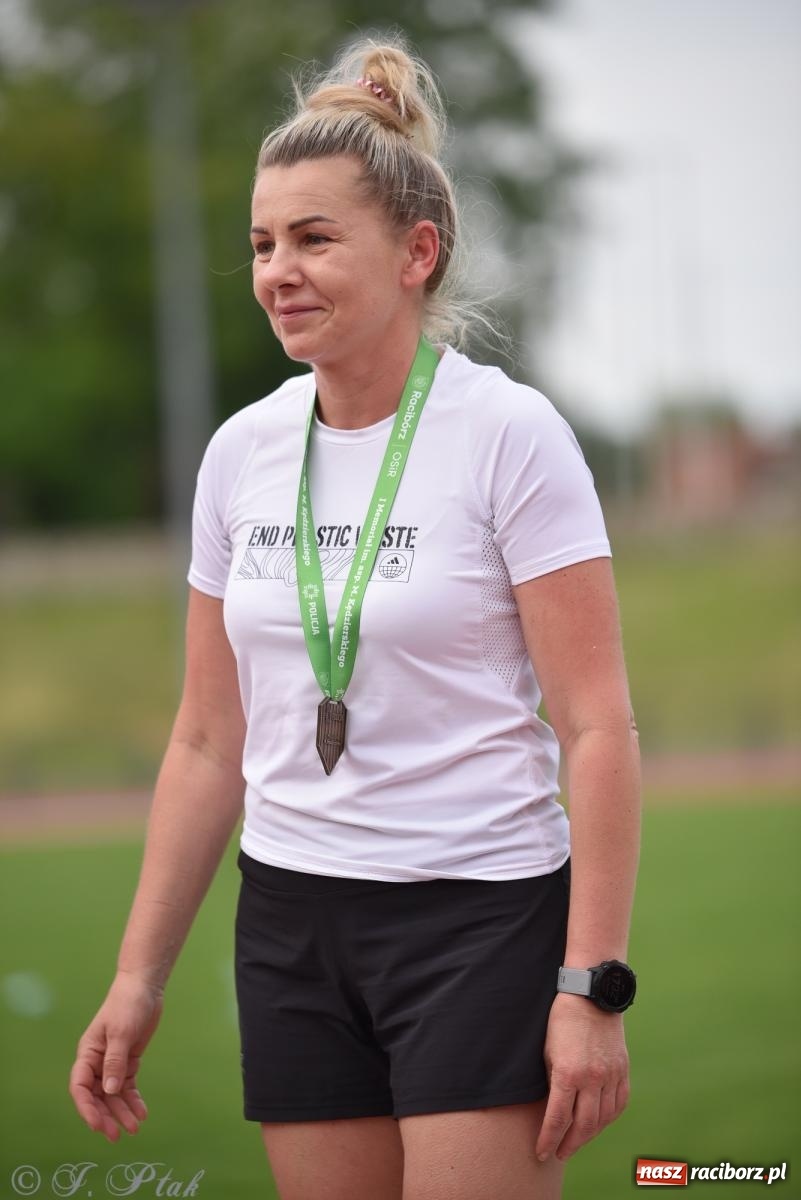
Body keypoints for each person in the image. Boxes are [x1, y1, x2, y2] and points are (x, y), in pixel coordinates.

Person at [69, 33, 641, 1200]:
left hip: (476, 916)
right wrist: (139, 977)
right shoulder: (241, 451)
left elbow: (597, 727)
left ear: (416, 252)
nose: (278, 269)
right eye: (263, 244)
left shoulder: (507, 435)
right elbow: (203, 740)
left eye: (315, 238)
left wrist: (592, 985)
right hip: (288, 923)